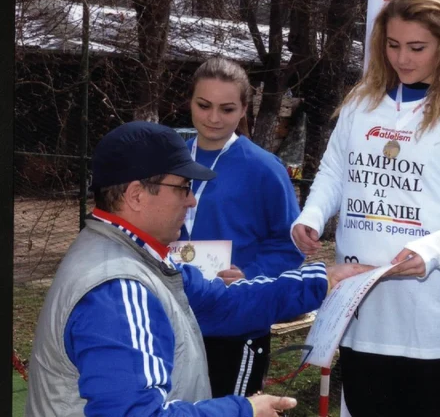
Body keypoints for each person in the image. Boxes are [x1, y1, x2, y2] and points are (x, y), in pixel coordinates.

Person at [26, 121, 372, 417]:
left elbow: (220, 303)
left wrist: (320, 281)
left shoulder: (135, 256)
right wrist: (243, 410)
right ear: (135, 195)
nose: (191, 200)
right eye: (182, 188)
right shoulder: (119, 287)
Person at [291, 0, 440, 417]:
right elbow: (334, 171)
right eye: (392, 45)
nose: (402, 58)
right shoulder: (361, 103)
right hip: (361, 312)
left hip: (428, 322)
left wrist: (429, 250)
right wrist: (311, 216)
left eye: (417, 47)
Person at [177, 57, 305, 398]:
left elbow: (289, 244)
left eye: (227, 108)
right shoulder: (171, 161)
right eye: (203, 105)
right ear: (189, 101)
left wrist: (250, 274)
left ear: (244, 109)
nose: (214, 118)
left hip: (236, 320)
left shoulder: (264, 169)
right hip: (175, 317)